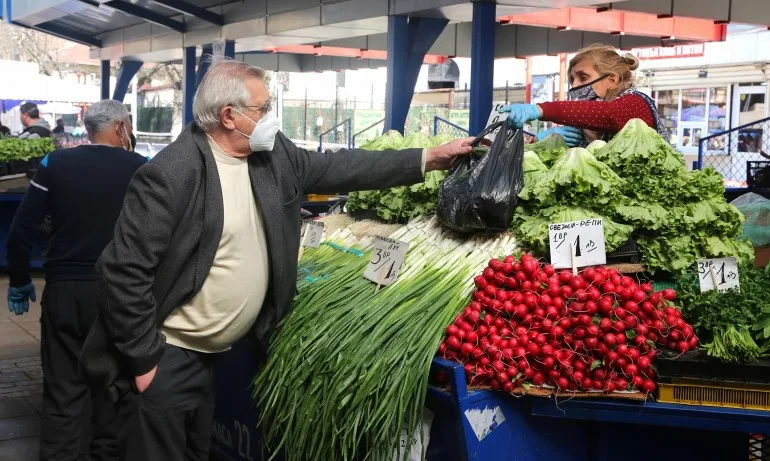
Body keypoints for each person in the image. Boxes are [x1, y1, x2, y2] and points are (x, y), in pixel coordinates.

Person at [80, 59, 472, 461]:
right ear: (229, 116)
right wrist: (146, 363)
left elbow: (338, 167)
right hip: (169, 353)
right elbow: (122, 272)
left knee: (196, 450)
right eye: (262, 108)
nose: (271, 117)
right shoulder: (172, 172)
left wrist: (428, 157)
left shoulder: (271, 156)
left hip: (210, 355)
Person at [6, 100, 146, 461]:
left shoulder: (56, 164)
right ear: (119, 127)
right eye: (127, 125)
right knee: (115, 387)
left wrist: (19, 280)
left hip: (65, 292)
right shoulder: (141, 169)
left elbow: (21, 232)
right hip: (119, 295)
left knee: (62, 387)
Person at [502, 44, 665, 146]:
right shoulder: (585, 126)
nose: (575, 86)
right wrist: (542, 141)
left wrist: (541, 109)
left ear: (612, 80)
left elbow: (608, 114)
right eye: (572, 80)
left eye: (583, 77)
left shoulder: (636, 103)